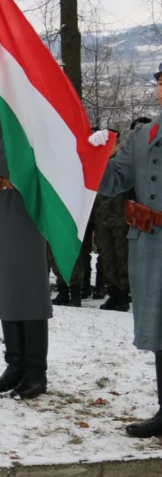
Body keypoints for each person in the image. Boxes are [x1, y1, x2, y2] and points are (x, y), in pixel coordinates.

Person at [92, 65, 162, 435]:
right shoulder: (142, 135)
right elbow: (111, 181)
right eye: (161, 82)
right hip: (152, 245)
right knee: (159, 331)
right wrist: (94, 154)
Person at [0, 115, 50, 400]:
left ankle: (35, 371)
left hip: (20, 209)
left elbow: (27, 163)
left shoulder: (29, 114)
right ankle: (15, 366)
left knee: (28, 292)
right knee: (8, 291)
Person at [93, 128, 129, 312]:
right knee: (107, 258)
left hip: (122, 221)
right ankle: (113, 293)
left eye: (112, 144)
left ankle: (123, 296)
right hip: (103, 220)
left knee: (122, 259)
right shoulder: (101, 164)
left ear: (118, 145)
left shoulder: (124, 166)